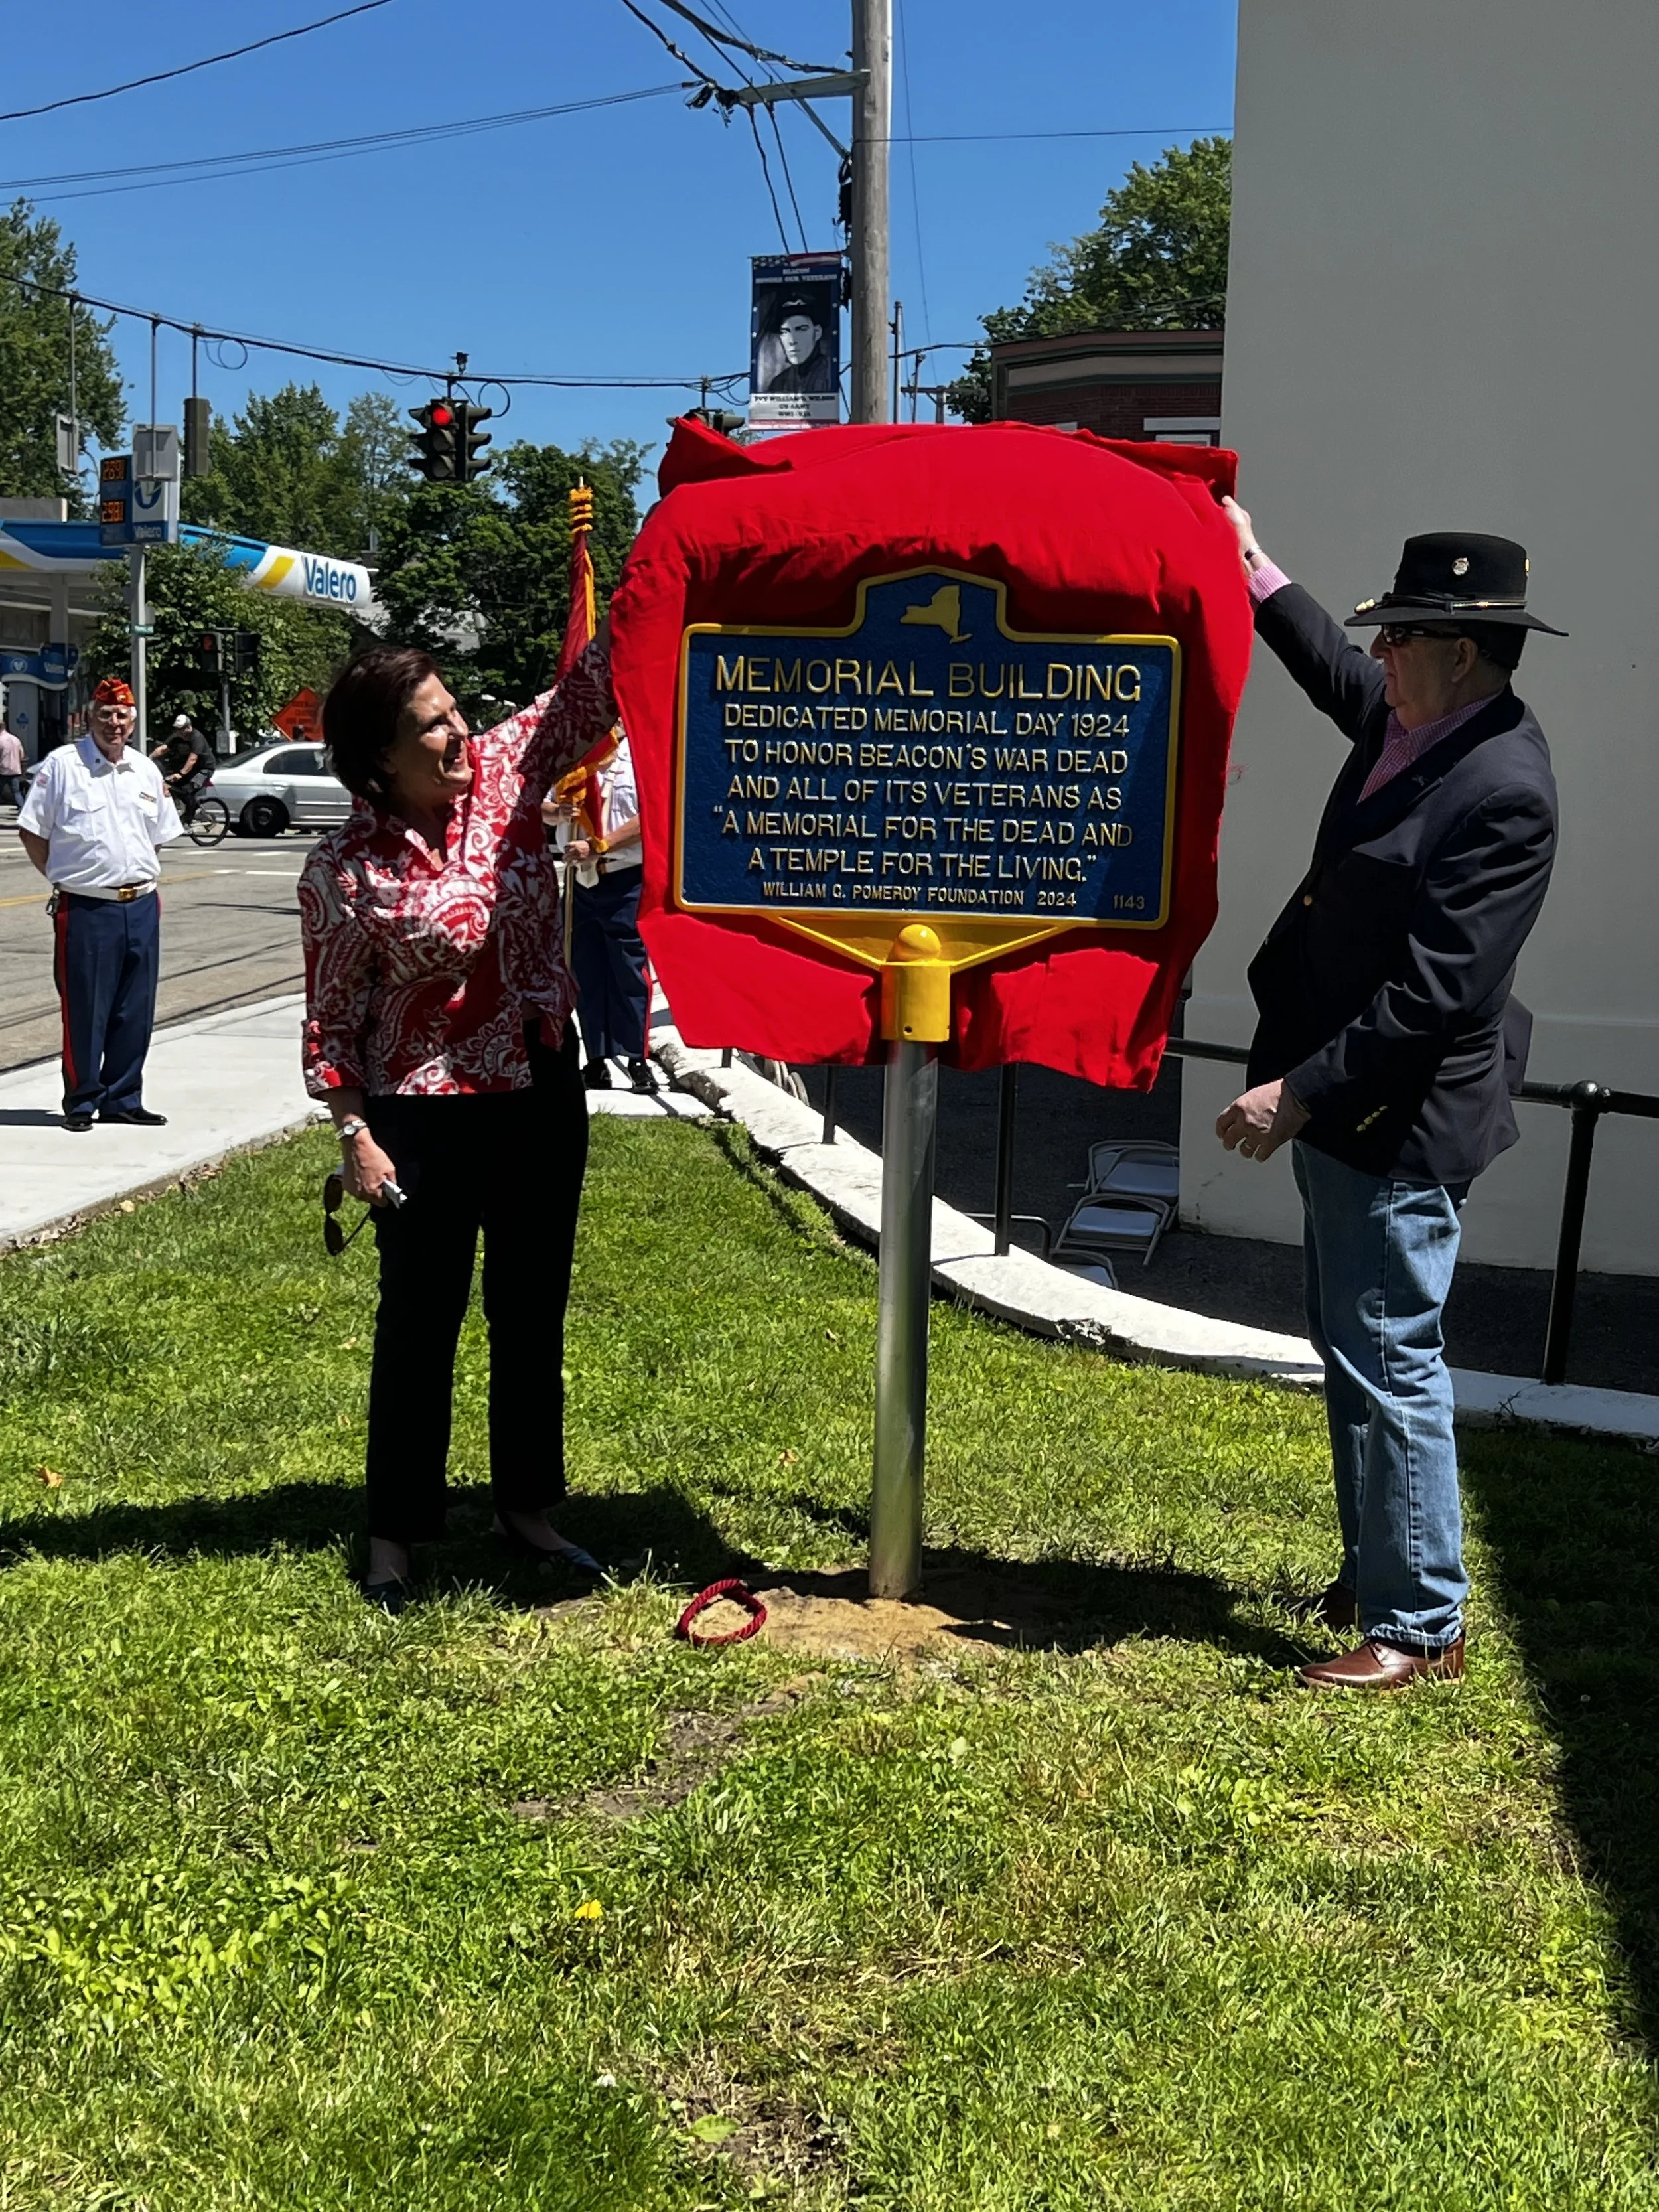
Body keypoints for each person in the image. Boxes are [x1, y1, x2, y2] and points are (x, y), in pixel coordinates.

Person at [1216, 504, 1561, 1692]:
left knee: (1390, 1352)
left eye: (1396, 637)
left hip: (1394, 1112)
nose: (1376, 656)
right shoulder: (1418, 726)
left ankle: (1421, 1621)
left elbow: (1438, 995)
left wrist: (1297, 1096)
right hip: (1341, 1096)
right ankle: (1382, 1569)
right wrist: (1248, 559)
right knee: (1353, 1341)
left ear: (1458, 650)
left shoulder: (1504, 787)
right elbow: (1325, 663)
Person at [299, 630, 618, 1612]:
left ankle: (527, 1507)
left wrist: (677, 546)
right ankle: (395, 1535)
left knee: (530, 1308)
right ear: (377, 761)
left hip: (539, 1094)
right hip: (421, 1117)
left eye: (453, 708)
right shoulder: (342, 870)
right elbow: (333, 1023)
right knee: (419, 1321)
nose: (457, 732)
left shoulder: (512, 776)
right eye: (429, 724)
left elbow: (593, 685)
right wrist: (356, 1136)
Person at [17, 674, 182, 1132]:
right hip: (87, 908)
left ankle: (124, 1096)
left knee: (135, 1007)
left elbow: (158, 837)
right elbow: (32, 830)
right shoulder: (63, 766)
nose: (115, 723)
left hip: (142, 905)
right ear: (90, 717)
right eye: (106, 714)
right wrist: (62, 876)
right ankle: (82, 1099)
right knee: (87, 1007)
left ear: (133, 721)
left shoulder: (145, 770)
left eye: (123, 715)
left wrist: (135, 877)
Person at [552, 727, 654, 1092]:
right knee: (586, 970)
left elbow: (651, 817)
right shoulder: (575, 757)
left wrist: (600, 845)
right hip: (581, 880)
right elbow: (546, 809)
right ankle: (595, 1060)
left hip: (623, 878)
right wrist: (558, 811)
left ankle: (637, 1059)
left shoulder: (642, 758)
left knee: (628, 969)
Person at [760, 297, 835, 396]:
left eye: (801, 330)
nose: (792, 341)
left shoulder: (830, 373)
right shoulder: (779, 383)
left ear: (817, 333)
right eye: (785, 332)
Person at [0, 725, 23, 811]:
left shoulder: (0, 740)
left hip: (3, 771)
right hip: (15, 770)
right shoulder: (15, 739)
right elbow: (22, 754)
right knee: (16, 792)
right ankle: (22, 810)